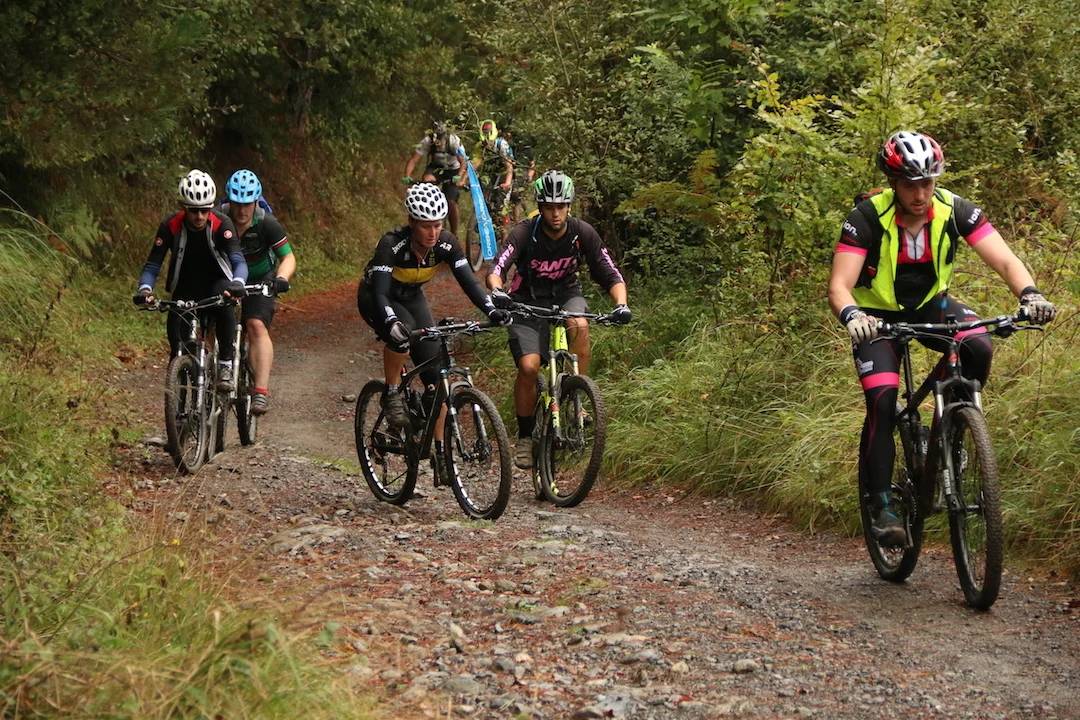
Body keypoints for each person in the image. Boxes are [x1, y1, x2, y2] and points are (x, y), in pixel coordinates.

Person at [828, 131, 1057, 546]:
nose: (920, 194)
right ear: (893, 183)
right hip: (876, 318)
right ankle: (882, 505)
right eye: (910, 185)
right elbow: (839, 286)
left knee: (978, 346)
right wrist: (853, 316)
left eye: (928, 183)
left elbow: (1005, 260)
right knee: (882, 399)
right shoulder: (865, 217)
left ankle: (948, 428)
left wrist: (1030, 295)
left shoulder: (955, 210)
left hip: (931, 306)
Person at [357, 183, 512, 464]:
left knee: (437, 375)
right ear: (412, 223)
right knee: (403, 332)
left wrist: (491, 310)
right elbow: (380, 292)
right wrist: (391, 321)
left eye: (438, 225)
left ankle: (441, 454)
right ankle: (391, 393)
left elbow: (469, 283)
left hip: (412, 296)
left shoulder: (446, 243)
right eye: (426, 226)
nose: (433, 232)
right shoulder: (392, 244)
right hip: (378, 297)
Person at [487, 170, 632, 469]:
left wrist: (621, 305)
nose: (556, 213)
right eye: (550, 207)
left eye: (561, 206)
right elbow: (498, 267)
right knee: (529, 367)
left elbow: (610, 272)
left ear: (569, 206)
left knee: (580, 325)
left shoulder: (582, 233)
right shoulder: (525, 232)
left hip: (567, 294)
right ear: (541, 207)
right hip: (526, 301)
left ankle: (576, 396)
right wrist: (498, 291)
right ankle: (525, 436)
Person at [134, 169, 249, 391]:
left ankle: (225, 363)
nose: (199, 216)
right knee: (177, 340)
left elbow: (238, 260)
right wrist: (145, 289)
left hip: (217, 282)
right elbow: (153, 264)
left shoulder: (222, 223)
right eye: (194, 210)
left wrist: (238, 283)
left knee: (225, 302)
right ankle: (180, 387)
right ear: (183, 207)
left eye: (205, 210)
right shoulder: (170, 225)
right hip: (186, 286)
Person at [219, 169, 296, 415]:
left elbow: (288, 257)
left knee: (255, 325)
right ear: (229, 201)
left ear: (256, 202)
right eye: (237, 204)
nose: (242, 210)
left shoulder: (266, 222)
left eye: (247, 204)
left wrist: (281, 278)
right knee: (213, 323)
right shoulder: (219, 218)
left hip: (260, 277)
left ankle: (260, 391)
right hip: (227, 276)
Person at [403, 121, 467, 237]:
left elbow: (463, 161)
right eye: (436, 139)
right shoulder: (428, 141)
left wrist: (459, 175)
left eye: (440, 138)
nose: (438, 142)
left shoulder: (453, 140)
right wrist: (407, 175)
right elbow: (414, 160)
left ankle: (454, 234)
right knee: (427, 181)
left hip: (453, 169)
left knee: (451, 201)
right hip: (436, 167)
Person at [470, 119, 514, 225]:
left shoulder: (502, 145)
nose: (487, 144)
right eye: (485, 141)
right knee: (483, 192)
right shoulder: (480, 146)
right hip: (490, 173)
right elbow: (475, 164)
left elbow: (509, 166)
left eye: (489, 141)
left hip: (504, 173)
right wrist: (464, 178)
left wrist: (507, 183)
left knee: (501, 207)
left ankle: (505, 233)